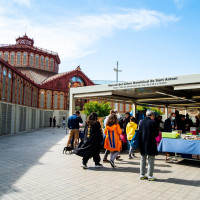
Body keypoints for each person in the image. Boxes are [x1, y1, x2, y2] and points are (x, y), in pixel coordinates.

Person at [139, 110, 159, 181]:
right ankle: (150, 175)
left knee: (142, 158)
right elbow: (156, 134)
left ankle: (142, 174)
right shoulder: (153, 122)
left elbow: (139, 132)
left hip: (142, 142)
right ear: (151, 115)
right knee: (151, 159)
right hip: (151, 143)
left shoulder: (141, 122)